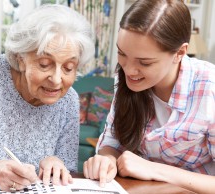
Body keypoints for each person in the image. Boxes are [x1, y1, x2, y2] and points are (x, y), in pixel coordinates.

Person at [0, 4, 94, 192]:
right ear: (21, 59)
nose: (56, 79)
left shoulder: (69, 101)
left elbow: (67, 171)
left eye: (69, 67)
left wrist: (56, 164)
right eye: (45, 64)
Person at [83, 0, 215, 193]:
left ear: (179, 52)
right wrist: (107, 159)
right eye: (122, 54)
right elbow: (112, 141)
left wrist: (154, 170)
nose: (128, 70)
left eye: (144, 63)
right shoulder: (128, 79)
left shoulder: (208, 87)